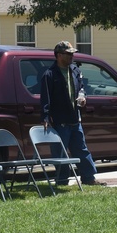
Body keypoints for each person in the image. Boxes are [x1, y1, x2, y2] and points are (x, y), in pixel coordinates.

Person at [39, 41, 105, 186]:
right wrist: (45, 117)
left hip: (75, 119)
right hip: (60, 121)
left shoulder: (75, 70)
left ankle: (89, 178)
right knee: (60, 153)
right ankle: (62, 181)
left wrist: (82, 97)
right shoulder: (49, 74)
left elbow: (82, 88)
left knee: (81, 150)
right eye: (68, 54)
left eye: (72, 54)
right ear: (59, 55)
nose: (71, 56)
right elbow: (45, 98)